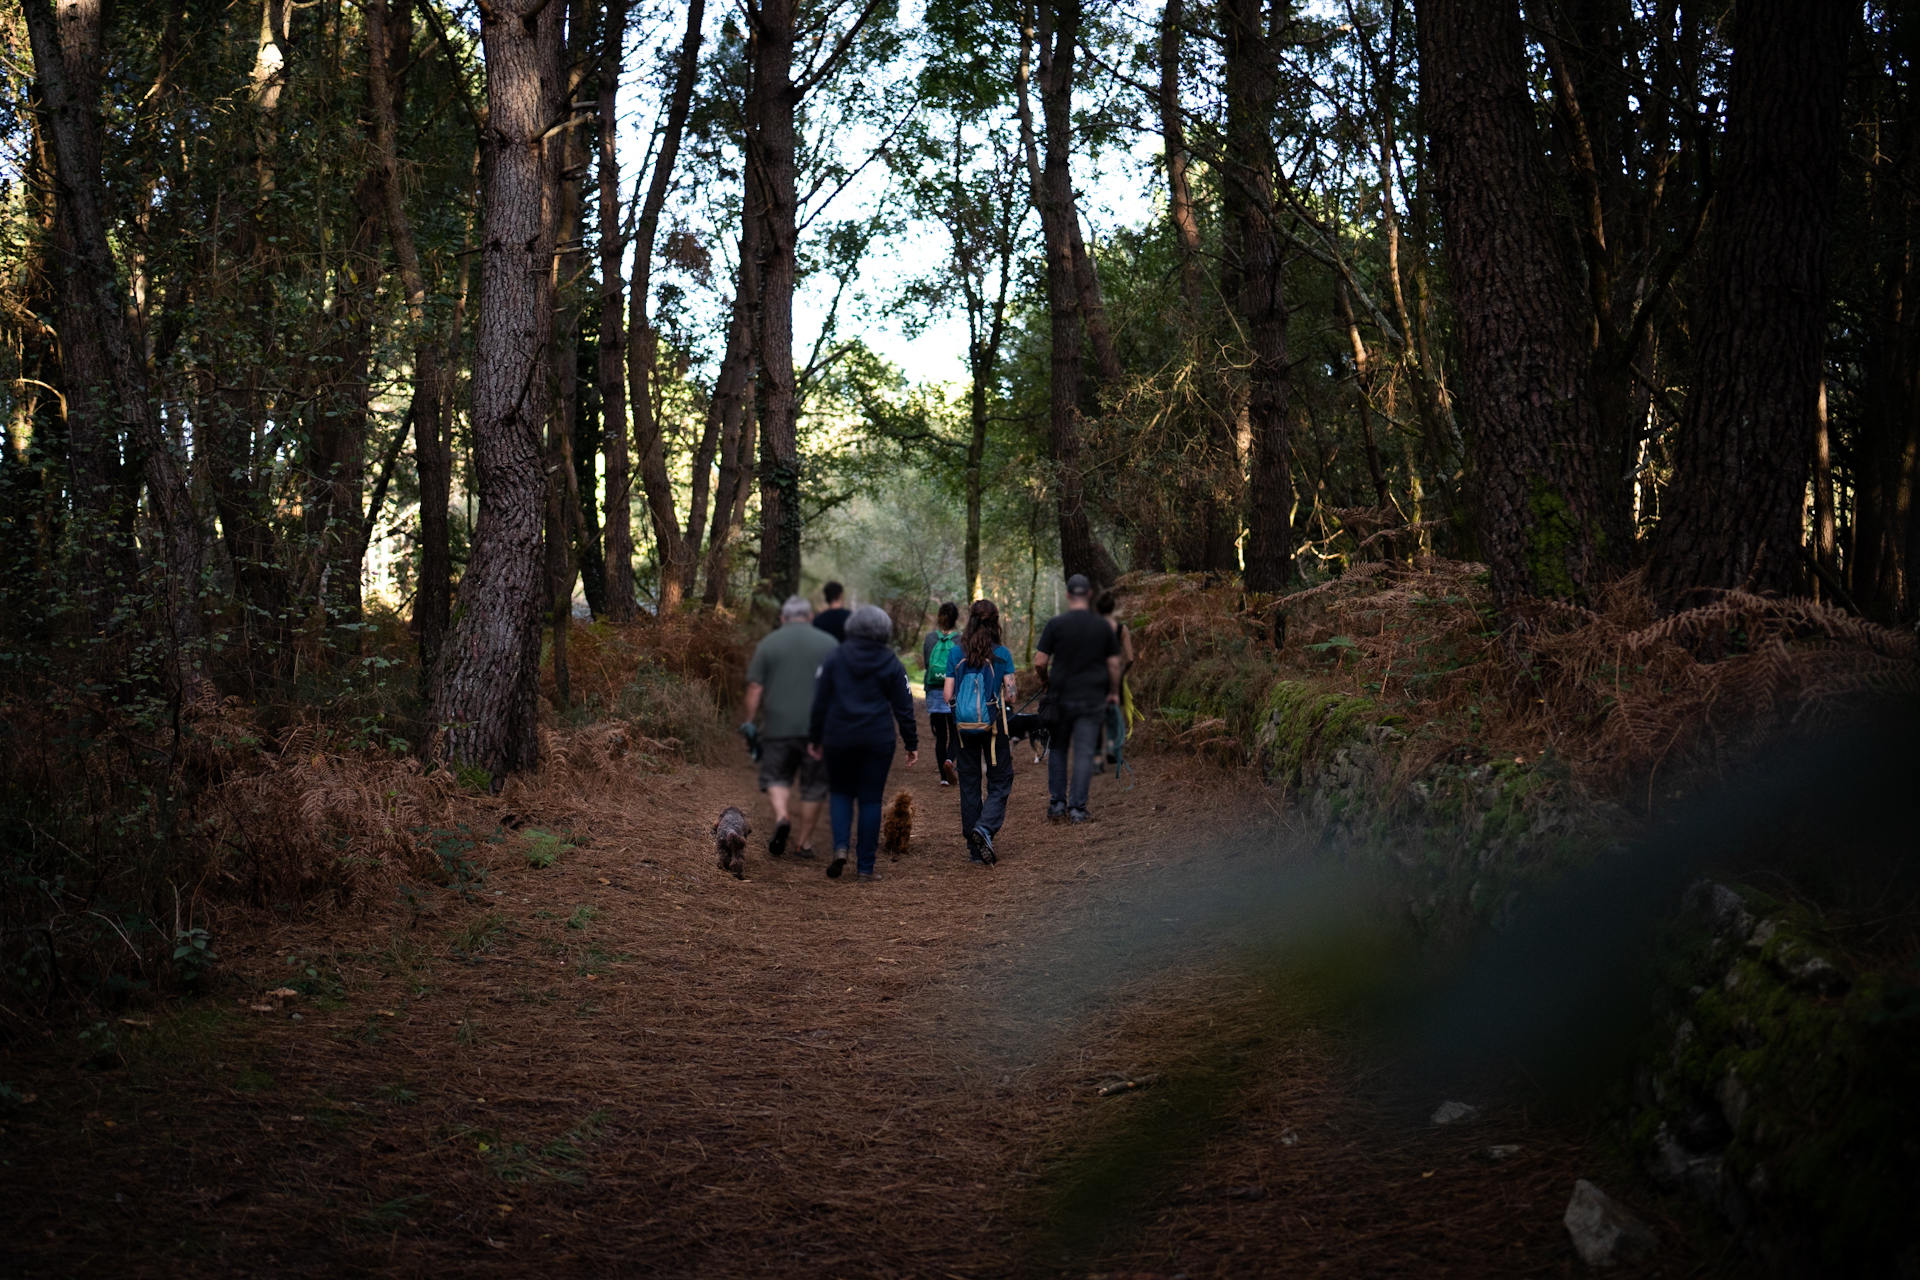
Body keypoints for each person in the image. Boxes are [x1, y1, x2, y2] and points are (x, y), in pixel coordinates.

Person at [808, 605, 919, 882]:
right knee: (870, 800)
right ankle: (866, 868)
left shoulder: (834, 657)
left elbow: (819, 700)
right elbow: (904, 707)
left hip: (839, 737)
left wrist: (814, 736)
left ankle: (841, 848)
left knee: (841, 793)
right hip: (877, 738)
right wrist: (911, 742)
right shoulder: (891, 661)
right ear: (884, 630)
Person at [742, 595, 841, 861]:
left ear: (783, 618)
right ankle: (804, 844)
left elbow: (754, 687)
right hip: (818, 730)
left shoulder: (769, 643)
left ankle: (782, 816)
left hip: (777, 726)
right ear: (809, 617)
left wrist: (749, 721)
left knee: (776, 776)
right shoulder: (829, 644)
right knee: (814, 786)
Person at [1034, 573, 1121, 824]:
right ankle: (1077, 810)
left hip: (1060, 698)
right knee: (1083, 753)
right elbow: (1114, 665)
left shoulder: (1055, 624)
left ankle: (1057, 804)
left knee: (1058, 748)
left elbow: (1040, 661)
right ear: (1090, 595)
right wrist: (1113, 692)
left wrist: (1045, 681)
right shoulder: (1103, 626)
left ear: (1069, 595)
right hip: (1091, 699)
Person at [943, 600, 1019, 865]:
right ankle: (984, 828)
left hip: (964, 730)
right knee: (1000, 781)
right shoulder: (1002, 654)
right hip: (994, 729)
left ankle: (974, 850)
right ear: (995, 622)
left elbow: (947, 695)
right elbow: (1011, 696)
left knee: (970, 783)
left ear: (971, 620)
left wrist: (962, 708)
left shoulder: (955, 653)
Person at [921, 601, 962, 786]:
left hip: (934, 690)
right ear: (955, 618)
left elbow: (927, 664)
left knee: (940, 736)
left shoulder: (930, 638)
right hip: (953, 691)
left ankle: (944, 779)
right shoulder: (960, 640)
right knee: (955, 732)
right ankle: (949, 761)